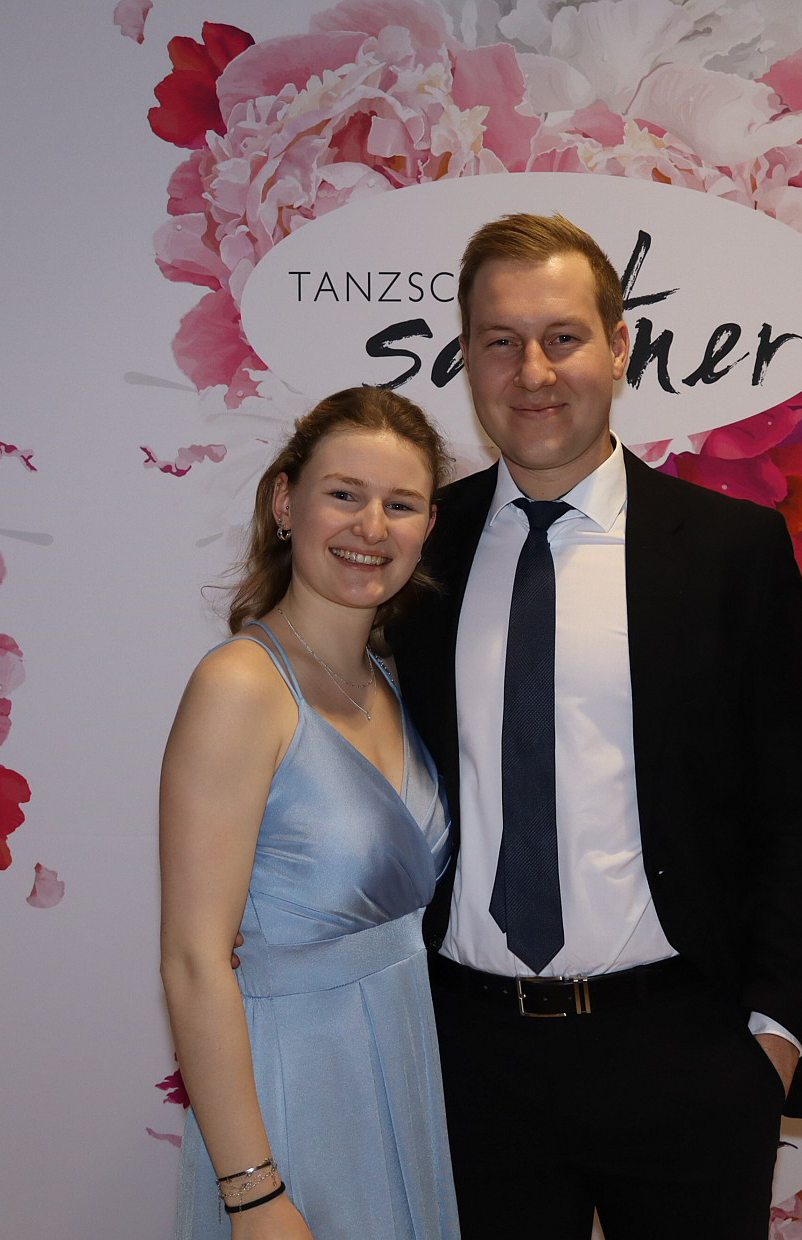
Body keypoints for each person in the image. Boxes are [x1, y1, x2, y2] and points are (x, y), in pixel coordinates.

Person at [387, 214, 802, 1238]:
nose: (533, 372)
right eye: (500, 341)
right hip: (470, 1063)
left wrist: (768, 1037)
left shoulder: (728, 550)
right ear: (466, 357)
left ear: (620, 345)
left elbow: (791, 805)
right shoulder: (417, 552)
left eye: (562, 336)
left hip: (681, 1053)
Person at [160, 387, 460, 1239]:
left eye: (400, 504)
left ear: (428, 527)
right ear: (285, 503)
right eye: (344, 494)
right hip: (294, 1103)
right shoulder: (240, 686)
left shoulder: (390, 680)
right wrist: (254, 1194)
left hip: (404, 1080)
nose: (372, 527)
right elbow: (193, 961)